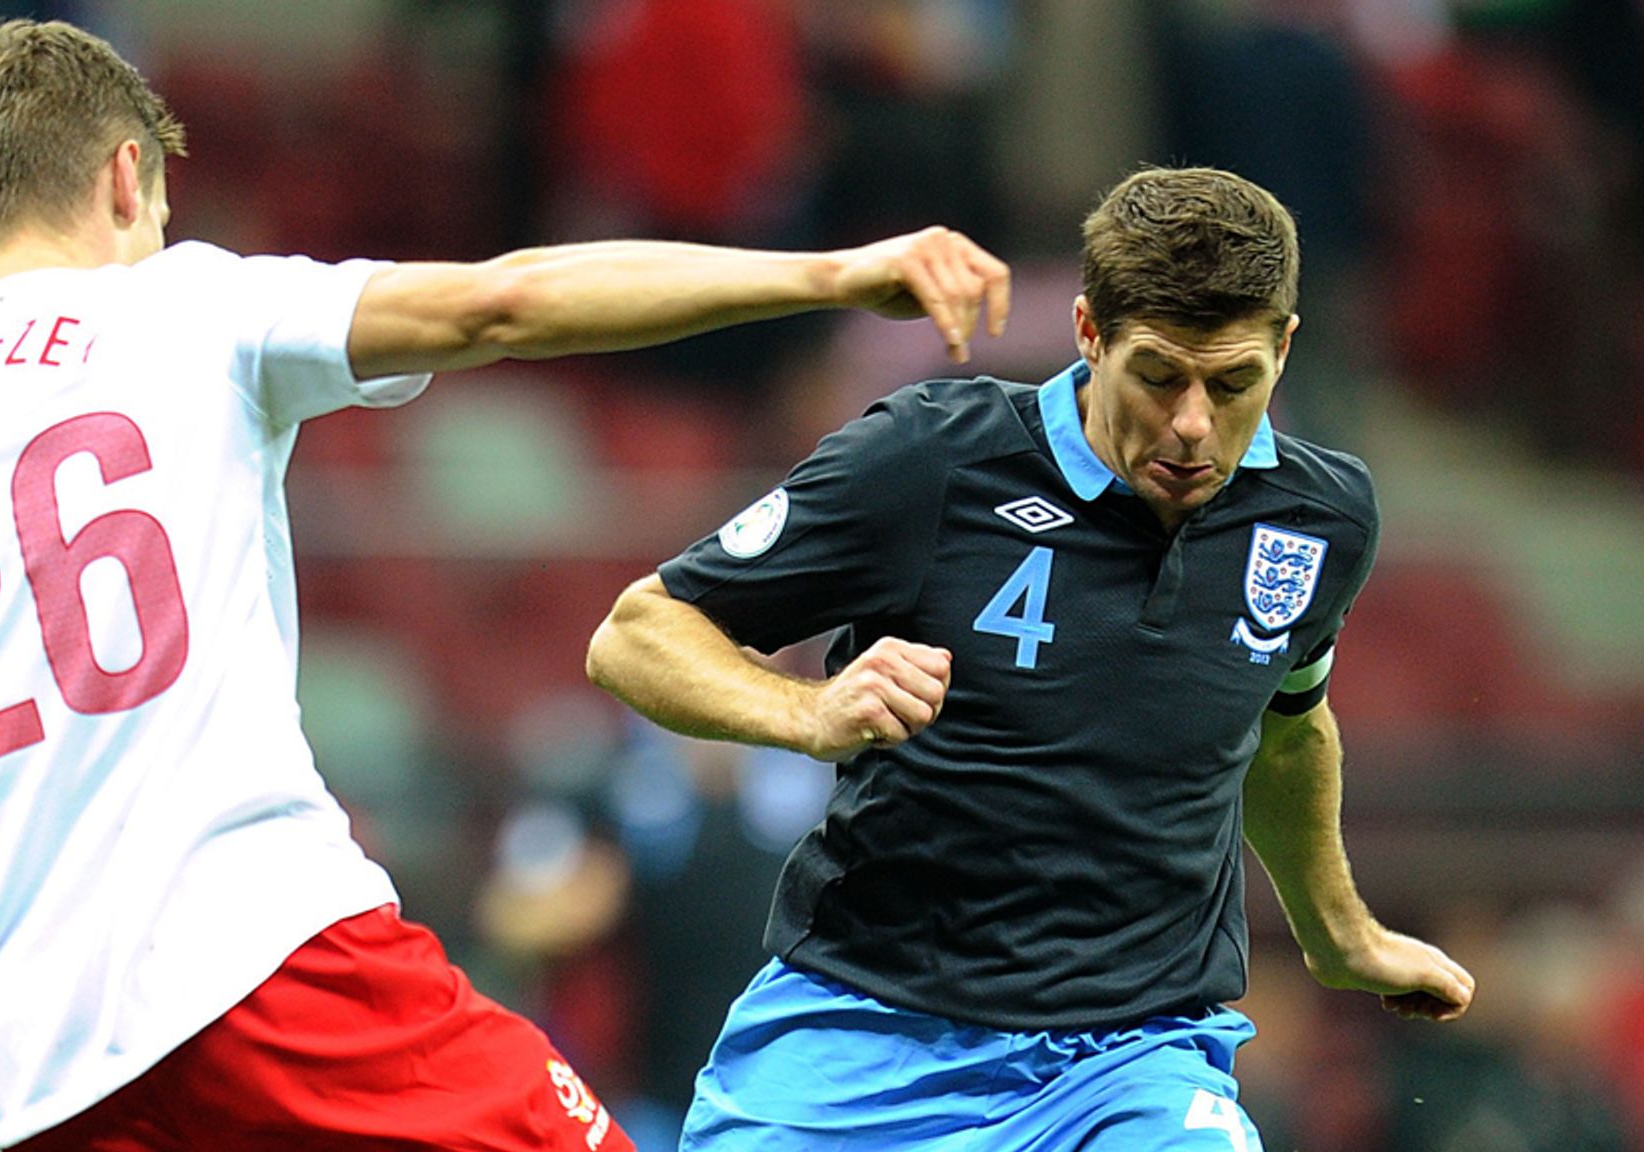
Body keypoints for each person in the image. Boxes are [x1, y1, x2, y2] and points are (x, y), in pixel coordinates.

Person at [0, 17, 1012, 1152]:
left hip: (45, 1078)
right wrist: (829, 275)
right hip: (269, 968)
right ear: (125, 177)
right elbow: (509, 303)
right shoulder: (187, 306)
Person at [585, 165, 1477, 1151]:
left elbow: (1286, 727)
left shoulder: (1319, 519)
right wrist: (806, 714)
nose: (1191, 424)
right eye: (1156, 375)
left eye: (1231, 384)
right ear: (1089, 335)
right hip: (863, 1037)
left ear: (1284, 348)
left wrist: (1337, 934)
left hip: (1129, 1057)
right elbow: (637, 635)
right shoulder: (933, 460)